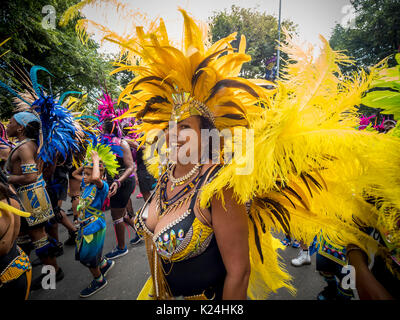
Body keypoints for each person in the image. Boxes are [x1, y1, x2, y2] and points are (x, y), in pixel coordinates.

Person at [4, 112, 64, 290]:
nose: (7, 125)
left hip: (31, 199)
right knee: (23, 236)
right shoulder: (26, 145)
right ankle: (19, 273)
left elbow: (30, 176)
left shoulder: (24, 148)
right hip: (29, 198)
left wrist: (6, 178)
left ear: (21, 127)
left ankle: (53, 274)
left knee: (38, 238)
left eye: (11, 122)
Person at [72, 144, 118, 297]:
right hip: (86, 227)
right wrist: (86, 164)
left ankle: (99, 280)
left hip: (94, 226)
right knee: (90, 253)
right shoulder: (87, 184)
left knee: (87, 257)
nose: (84, 176)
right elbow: (74, 174)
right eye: (84, 174)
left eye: (87, 174)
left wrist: (96, 160)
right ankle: (105, 264)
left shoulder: (101, 186)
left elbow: (96, 177)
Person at [96, 100, 136, 259]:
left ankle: (121, 247)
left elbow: (130, 166)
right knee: (120, 213)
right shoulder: (105, 144)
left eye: (102, 127)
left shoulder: (122, 143)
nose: (100, 130)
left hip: (123, 182)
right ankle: (140, 233)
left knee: (116, 215)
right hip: (116, 182)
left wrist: (118, 182)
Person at [0, 181, 32, 300]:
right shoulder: (12, 202)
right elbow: (15, 235)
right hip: (18, 264)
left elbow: (30, 177)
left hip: (8, 276)